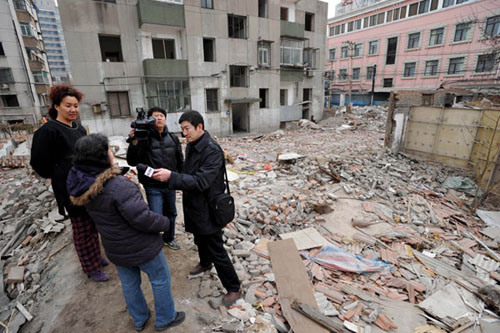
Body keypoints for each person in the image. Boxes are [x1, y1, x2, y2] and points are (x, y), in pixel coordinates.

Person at [66, 134, 185, 332]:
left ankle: (139, 319)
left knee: (130, 284)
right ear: (101, 156)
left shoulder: (83, 185)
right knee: (160, 279)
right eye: (109, 150)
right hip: (142, 247)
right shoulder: (119, 186)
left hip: (115, 248)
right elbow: (142, 218)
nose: (112, 153)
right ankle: (166, 318)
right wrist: (165, 222)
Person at [152, 110, 241, 306]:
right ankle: (205, 263)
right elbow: (189, 172)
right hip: (195, 203)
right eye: (182, 129)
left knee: (215, 246)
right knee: (199, 237)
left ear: (200, 127)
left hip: (209, 206)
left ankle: (234, 287)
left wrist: (172, 177)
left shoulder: (211, 150)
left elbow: (202, 181)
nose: (184, 133)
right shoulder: (192, 145)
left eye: (187, 129)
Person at [30, 84, 109, 282]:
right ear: (57, 106)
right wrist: (57, 174)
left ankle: (96, 256)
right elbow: (38, 162)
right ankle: (90, 267)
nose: (73, 109)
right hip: (69, 188)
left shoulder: (79, 128)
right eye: (68, 105)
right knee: (81, 228)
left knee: (93, 223)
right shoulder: (48, 131)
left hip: (87, 184)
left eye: (75, 105)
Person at [126, 107, 183, 250]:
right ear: (149, 120)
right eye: (155, 116)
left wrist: (181, 179)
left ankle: (168, 238)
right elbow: (132, 162)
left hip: (170, 184)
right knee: (155, 215)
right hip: (152, 186)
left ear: (165, 118)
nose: (159, 118)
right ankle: (154, 241)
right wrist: (134, 143)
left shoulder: (173, 138)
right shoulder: (143, 139)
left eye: (161, 115)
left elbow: (180, 161)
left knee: (171, 213)